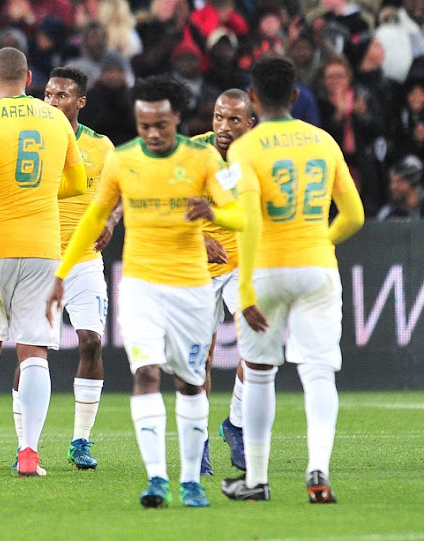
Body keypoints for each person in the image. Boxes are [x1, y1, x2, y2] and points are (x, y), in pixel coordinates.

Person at [47, 74, 245, 508]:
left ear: (177, 118)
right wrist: (61, 274)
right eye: (143, 126)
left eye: (161, 125)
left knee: (191, 383)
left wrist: (215, 212)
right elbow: (93, 218)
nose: (152, 134)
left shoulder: (204, 159)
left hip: (192, 287)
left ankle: (191, 480)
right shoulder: (122, 160)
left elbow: (242, 218)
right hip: (140, 288)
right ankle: (157, 478)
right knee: (146, 375)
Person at [221, 55, 364, 503]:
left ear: (255, 99)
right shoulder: (323, 141)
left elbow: (246, 220)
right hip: (317, 266)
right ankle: (318, 470)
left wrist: (244, 288)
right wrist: (323, 240)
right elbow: (354, 215)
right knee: (319, 373)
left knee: (260, 373)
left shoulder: (244, 148)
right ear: (297, 96)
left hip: (266, 270)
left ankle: (257, 480)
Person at [0, 47, 85, 477]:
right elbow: (77, 182)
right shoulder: (55, 118)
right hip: (43, 246)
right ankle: (29, 453)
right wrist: (39, 192)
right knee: (34, 352)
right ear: (30, 78)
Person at [11, 66, 116, 470]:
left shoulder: (102, 146)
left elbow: (119, 192)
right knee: (34, 352)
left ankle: (80, 441)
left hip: (84, 259)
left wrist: (109, 221)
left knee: (91, 341)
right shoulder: (32, 142)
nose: (52, 101)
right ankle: (25, 444)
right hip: (39, 258)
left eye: (61, 95)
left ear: (80, 102)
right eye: (49, 95)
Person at [190, 88, 255, 476]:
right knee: (202, 359)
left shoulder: (260, 157)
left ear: (250, 123)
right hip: (196, 266)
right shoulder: (194, 151)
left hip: (243, 265)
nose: (223, 127)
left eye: (233, 120)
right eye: (218, 117)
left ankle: (236, 423)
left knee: (256, 350)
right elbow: (166, 205)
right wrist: (199, 236)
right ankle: (198, 442)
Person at [377, 155, 424, 221]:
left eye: (399, 181)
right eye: (392, 182)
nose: (393, 186)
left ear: (413, 182)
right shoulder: (388, 213)